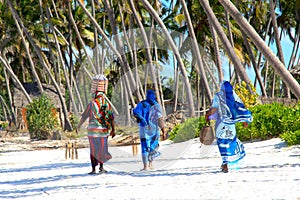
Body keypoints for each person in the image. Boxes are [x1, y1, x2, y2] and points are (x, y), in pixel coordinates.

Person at [205, 81, 252, 173]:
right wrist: (244, 121)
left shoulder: (218, 96)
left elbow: (214, 109)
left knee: (222, 143)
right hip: (231, 125)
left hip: (220, 124)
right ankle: (228, 162)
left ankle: (225, 163)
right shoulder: (234, 96)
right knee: (231, 142)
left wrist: (207, 116)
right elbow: (241, 108)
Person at [77, 74, 115, 174]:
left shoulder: (92, 104)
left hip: (92, 132)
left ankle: (94, 169)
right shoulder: (107, 104)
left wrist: (78, 126)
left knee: (94, 150)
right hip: (103, 131)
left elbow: (84, 116)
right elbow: (111, 118)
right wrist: (113, 130)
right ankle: (101, 168)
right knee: (102, 149)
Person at [132, 90, 166, 171]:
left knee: (144, 147)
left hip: (143, 129)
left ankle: (145, 166)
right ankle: (151, 164)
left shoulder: (141, 104)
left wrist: (141, 118)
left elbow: (135, 113)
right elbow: (160, 119)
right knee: (152, 147)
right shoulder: (156, 105)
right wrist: (163, 130)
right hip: (154, 130)